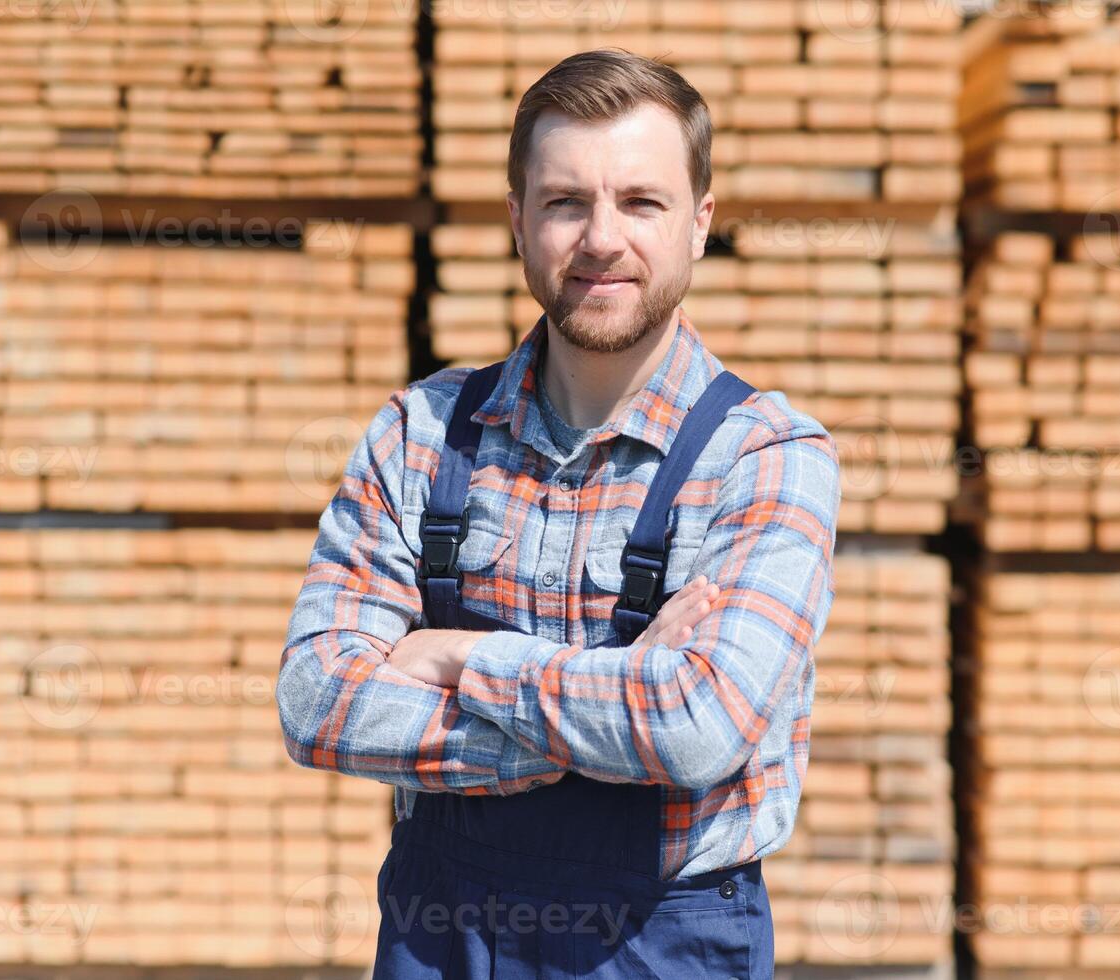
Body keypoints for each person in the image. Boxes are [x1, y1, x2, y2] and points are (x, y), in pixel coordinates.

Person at [277, 47, 841, 979]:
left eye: (642, 203)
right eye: (566, 202)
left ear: (701, 223)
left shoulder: (769, 456)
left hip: (662, 945)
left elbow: (699, 725)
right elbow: (316, 700)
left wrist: (460, 657)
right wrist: (616, 703)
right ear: (517, 220)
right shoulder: (419, 434)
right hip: (439, 933)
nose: (601, 239)